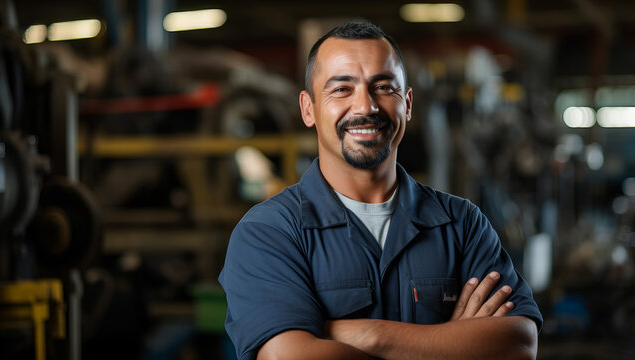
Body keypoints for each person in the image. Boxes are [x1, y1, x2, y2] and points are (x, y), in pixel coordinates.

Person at [219, 21, 542, 360]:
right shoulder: (269, 233)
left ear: (408, 103)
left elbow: (519, 344)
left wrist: (369, 335)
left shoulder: (462, 224)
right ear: (308, 109)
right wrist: (450, 343)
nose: (366, 107)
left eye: (383, 87)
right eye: (342, 89)